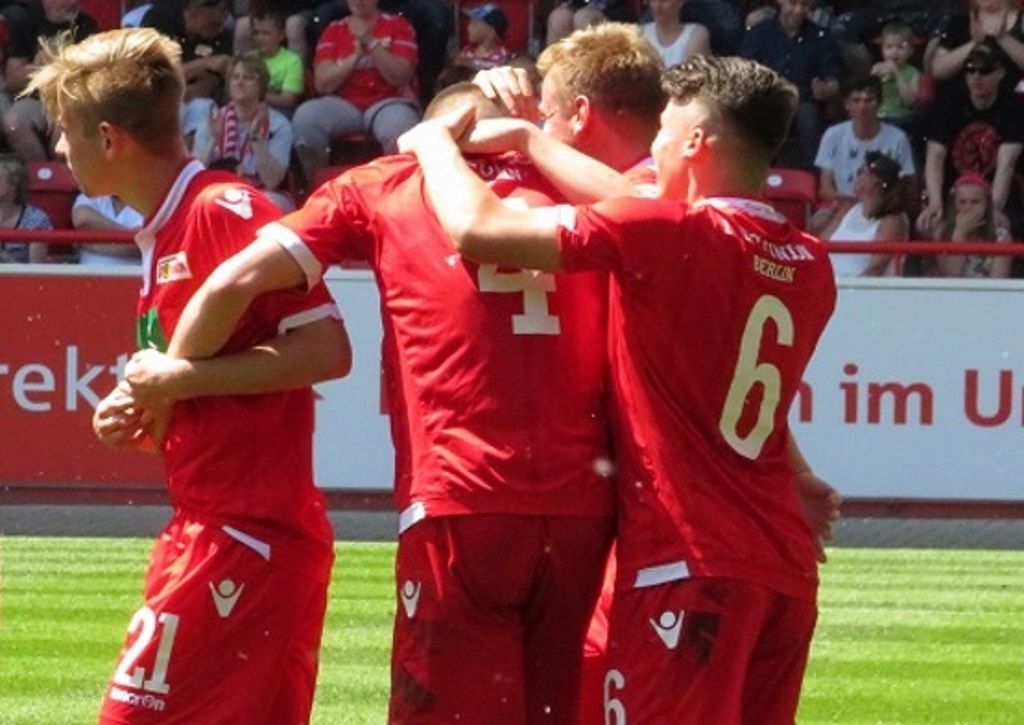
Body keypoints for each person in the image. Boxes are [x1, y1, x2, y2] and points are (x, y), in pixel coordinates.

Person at [399, 53, 838, 723]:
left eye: (665, 125)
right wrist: (528, 137)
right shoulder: (811, 262)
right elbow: (724, 376)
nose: (653, 143)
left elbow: (480, 232)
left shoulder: (667, 233)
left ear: (695, 141)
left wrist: (432, 144)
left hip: (687, 561)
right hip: (782, 566)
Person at [26, 27, 351, 723]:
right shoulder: (170, 229)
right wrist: (143, 413)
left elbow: (328, 349)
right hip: (217, 530)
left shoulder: (220, 210)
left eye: (65, 133)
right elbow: (199, 389)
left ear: (109, 139)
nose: (58, 150)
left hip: (247, 539)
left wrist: (176, 381)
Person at [292, 0, 420, 185]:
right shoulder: (334, 30)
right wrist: (354, 58)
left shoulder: (399, 25)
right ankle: (319, 189)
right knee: (306, 118)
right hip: (344, 104)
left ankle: (396, 192)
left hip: (388, 101)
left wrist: (371, 44)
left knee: (401, 127)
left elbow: (399, 77)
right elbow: (322, 84)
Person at [916, 40, 1024, 238]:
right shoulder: (949, 102)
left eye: (985, 70)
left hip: (998, 195)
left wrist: (993, 208)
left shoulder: (1013, 108)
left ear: (999, 73)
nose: (976, 76)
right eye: (970, 70)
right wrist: (935, 202)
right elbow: (935, 156)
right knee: (928, 225)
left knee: (1004, 227)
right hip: (953, 195)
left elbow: (1006, 164)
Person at [740, 0, 843, 168]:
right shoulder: (760, 32)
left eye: (804, 5)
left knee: (808, 116)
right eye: (793, 3)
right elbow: (744, 68)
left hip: (804, 100)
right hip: (767, 97)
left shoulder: (820, 37)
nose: (798, 10)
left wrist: (828, 88)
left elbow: (832, 74)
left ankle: (811, 176)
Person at [2, 0, 98, 161]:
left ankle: (63, 180)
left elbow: (89, 75)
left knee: (63, 131)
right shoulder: (26, 25)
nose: (73, 2)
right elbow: (13, 80)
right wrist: (47, 67)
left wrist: (50, 65)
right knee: (13, 123)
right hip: (35, 98)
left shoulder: (87, 26)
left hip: (70, 98)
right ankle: (41, 175)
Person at [200, 52, 296, 211]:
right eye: (235, 77)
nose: (240, 82)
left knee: (270, 202)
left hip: (260, 193)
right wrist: (213, 141)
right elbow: (196, 176)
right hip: (218, 191)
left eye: (248, 78)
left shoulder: (278, 125)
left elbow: (272, 181)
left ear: (261, 86)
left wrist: (257, 140)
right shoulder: (214, 120)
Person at [142, 0, 234, 152]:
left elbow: (207, 87)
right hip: (153, 99)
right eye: (213, 23)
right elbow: (151, 75)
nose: (219, 28)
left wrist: (174, 84)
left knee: (205, 107)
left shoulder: (222, 37)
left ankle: (196, 169)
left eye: (223, 19)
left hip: (188, 99)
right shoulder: (159, 19)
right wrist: (204, 64)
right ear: (193, 12)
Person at [813, 75, 915, 204]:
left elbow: (907, 185)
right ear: (847, 104)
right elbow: (825, 189)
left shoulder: (898, 138)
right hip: (843, 205)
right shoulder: (832, 135)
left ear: (880, 103)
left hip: (882, 207)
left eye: (869, 100)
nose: (863, 107)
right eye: (856, 100)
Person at [818, 151, 910, 276]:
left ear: (876, 182)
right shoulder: (846, 211)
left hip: (859, 291)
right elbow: (818, 248)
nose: (857, 175)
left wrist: (849, 290)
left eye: (862, 171)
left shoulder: (892, 222)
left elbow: (876, 269)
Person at [932, 170, 1012, 278]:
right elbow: (952, 276)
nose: (968, 208)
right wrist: (960, 234)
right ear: (954, 205)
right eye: (962, 202)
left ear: (986, 205)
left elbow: (997, 283)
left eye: (975, 202)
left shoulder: (1002, 238)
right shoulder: (941, 234)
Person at [249, 8, 307, 114]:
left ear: (281, 35)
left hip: (280, 112)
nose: (259, 38)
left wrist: (255, 94)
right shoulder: (247, 59)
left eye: (265, 33)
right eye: (256, 33)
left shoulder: (292, 61)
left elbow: (289, 100)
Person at [0, 152, 54, 263]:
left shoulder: (37, 220)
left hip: (19, 279)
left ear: (15, 185)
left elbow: (34, 271)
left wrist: (4, 258)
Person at [72, 193, 144, 266]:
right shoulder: (92, 194)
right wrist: (129, 238)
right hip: (88, 275)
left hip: (135, 276)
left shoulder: (149, 202)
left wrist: (91, 243)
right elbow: (82, 219)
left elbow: (140, 246)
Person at [872, 20, 922, 123]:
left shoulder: (913, 72)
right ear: (882, 49)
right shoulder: (877, 68)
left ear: (911, 51)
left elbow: (910, 102)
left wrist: (897, 73)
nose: (894, 52)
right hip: (877, 116)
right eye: (889, 47)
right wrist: (873, 78)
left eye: (901, 47)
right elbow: (869, 96)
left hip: (901, 116)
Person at [640, 0, 711, 68]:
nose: (657, 6)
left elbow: (686, 76)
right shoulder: (641, 33)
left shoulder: (697, 34)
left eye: (664, 1)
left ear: (680, 2)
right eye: (654, 0)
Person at [452, 3, 513, 72]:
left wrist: (471, 65)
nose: (468, 27)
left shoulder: (503, 58)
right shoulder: (467, 52)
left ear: (491, 30)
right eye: (469, 24)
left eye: (475, 24)